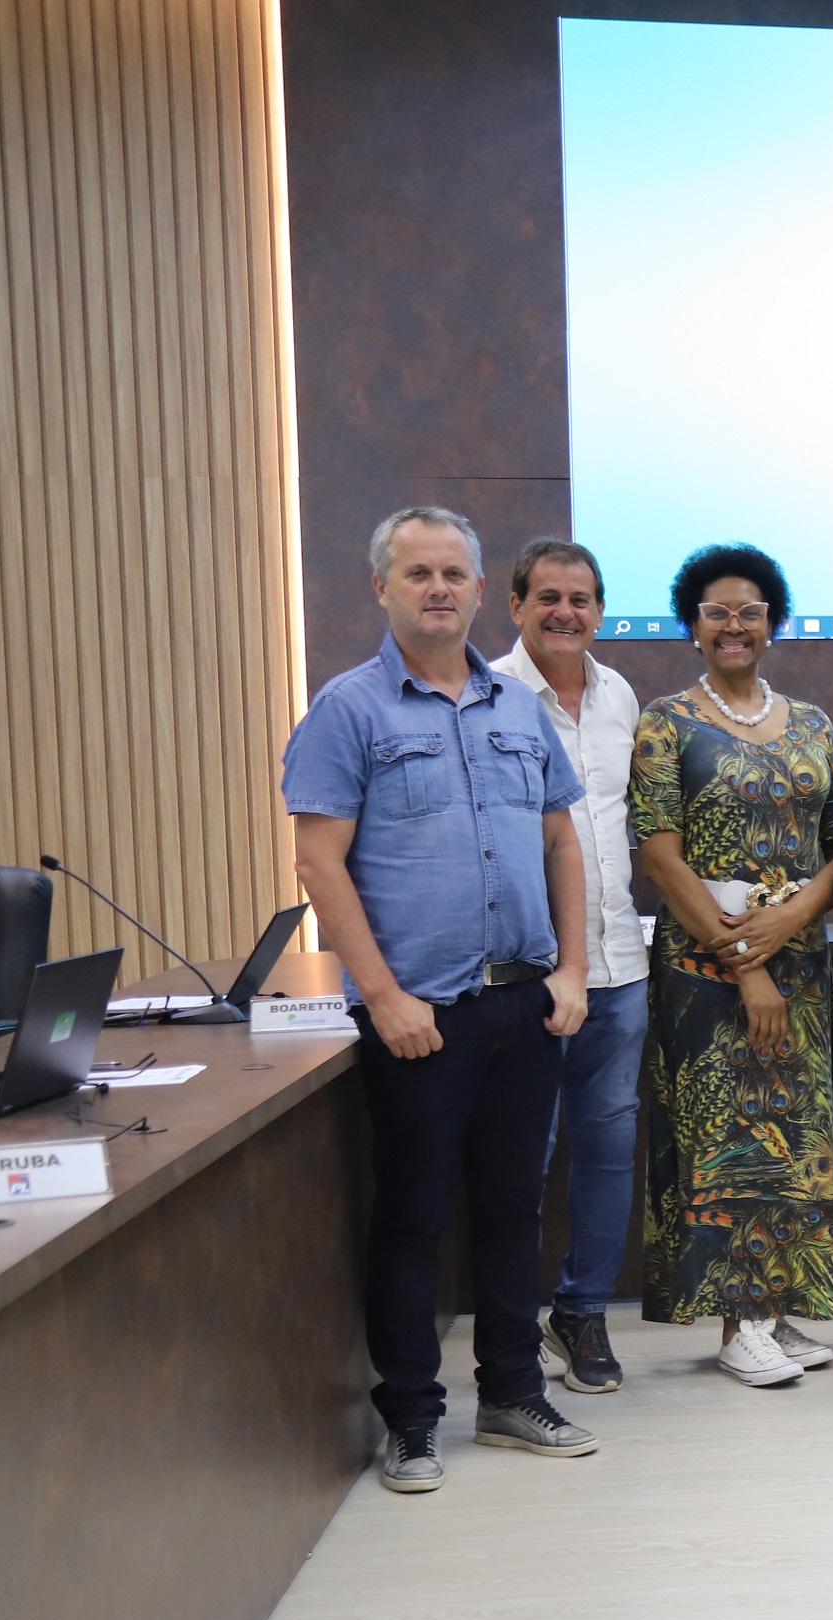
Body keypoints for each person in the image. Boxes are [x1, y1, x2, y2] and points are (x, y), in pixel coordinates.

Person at [282, 506, 597, 1493]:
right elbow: (318, 863)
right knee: (413, 1217)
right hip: (419, 1018)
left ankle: (511, 1395)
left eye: (454, 573)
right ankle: (413, 1419)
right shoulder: (348, 709)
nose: (438, 589)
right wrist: (381, 996)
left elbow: (561, 842)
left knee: (511, 1212)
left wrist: (573, 970)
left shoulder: (518, 708)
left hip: (524, 1007)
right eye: (418, 573)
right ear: (382, 586)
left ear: (478, 590)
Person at [630, 542, 833, 1389]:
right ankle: (736, 1323)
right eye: (717, 612)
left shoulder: (812, 723)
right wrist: (745, 964)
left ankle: (772, 1305)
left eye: (750, 612)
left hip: (799, 965)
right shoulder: (666, 721)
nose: (734, 625)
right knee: (725, 1138)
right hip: (705, 970)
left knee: (794, 1138)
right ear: (692, 625)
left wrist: (793, 918)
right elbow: (660, 856)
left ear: (772, 624)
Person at [490, 536, 646, 1396]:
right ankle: (511, 1336)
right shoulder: (487, 698)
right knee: (522, 1157)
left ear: (599, 610)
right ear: (515, 605)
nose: (564, 612)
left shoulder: (620, 695)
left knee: (609, 1149)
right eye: (547, 597)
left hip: (621, 964)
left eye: (580, 598)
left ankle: (581, 1312)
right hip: (531, 974)